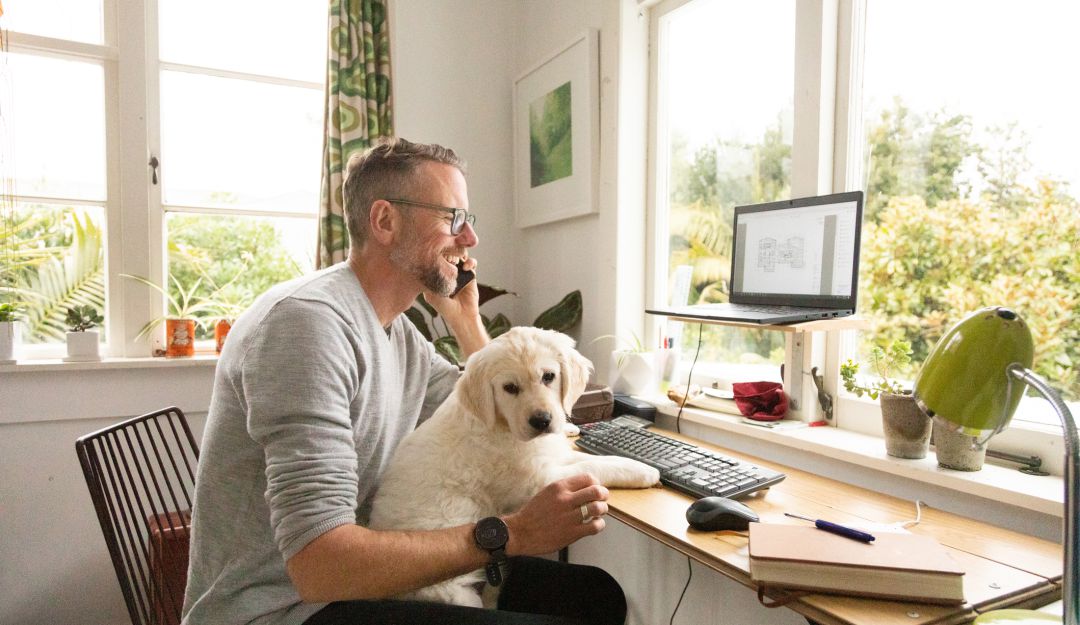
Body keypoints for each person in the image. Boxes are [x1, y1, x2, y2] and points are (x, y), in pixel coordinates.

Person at [182, 137, 628, 625]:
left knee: (595, 596)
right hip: (288, 607)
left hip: (355, 578)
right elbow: (320, 567)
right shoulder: (306, 325)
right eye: (451, 219)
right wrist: (511, 534)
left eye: (468, 221)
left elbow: (487, 411)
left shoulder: (394, 331)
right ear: (385, 222)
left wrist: (465, 322)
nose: (469, 240)